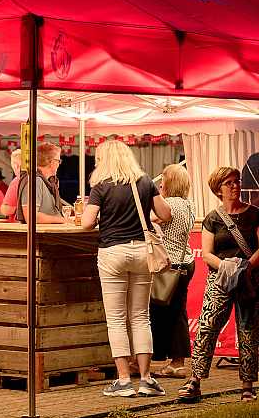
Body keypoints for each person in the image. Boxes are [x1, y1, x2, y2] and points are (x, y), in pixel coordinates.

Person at [81, 140, 172, 397]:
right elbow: (165, 214)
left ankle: (123, 381)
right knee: (140, 316)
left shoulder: (101, 186)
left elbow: (88, 223)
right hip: (142, 252)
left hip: (112, 253)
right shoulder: (144, 181)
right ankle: (146, 378)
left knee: (117, 319)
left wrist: (99, 215)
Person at [178, 167, 259, 403]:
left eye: (237, 181)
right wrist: (226, 267)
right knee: (207, 327)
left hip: (249, 277)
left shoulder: (255, 214)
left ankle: (247, 385)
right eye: (229, 183)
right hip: (220, 279)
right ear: (218, 189)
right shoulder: (213, 218)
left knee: (248, 331)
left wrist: (244, 267)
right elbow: (207, 253)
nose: (235, 186)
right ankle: (195, 380)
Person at [150, 165, 195, 379]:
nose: (160, 184)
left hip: (172, 265)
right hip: (186, 262)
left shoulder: (170, 204)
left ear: (171, 183)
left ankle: (175, 363)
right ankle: (175, 361)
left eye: (164, 180)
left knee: (165, 313)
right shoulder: (187, 204)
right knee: (178, 312)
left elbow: (150, 218)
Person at [17, 143, 67, 224]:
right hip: (42, 235)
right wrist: (63, 220)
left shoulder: (46, 182)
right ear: (52, 162)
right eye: (58, 161)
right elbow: (31, 217)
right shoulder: (36, 181)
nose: (59, 164)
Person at [0, 150, 22, 221]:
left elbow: (8, 210)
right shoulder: (38, 179)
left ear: (16, 165)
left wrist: (2, 208)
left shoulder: (17, 181)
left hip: (19, 226)